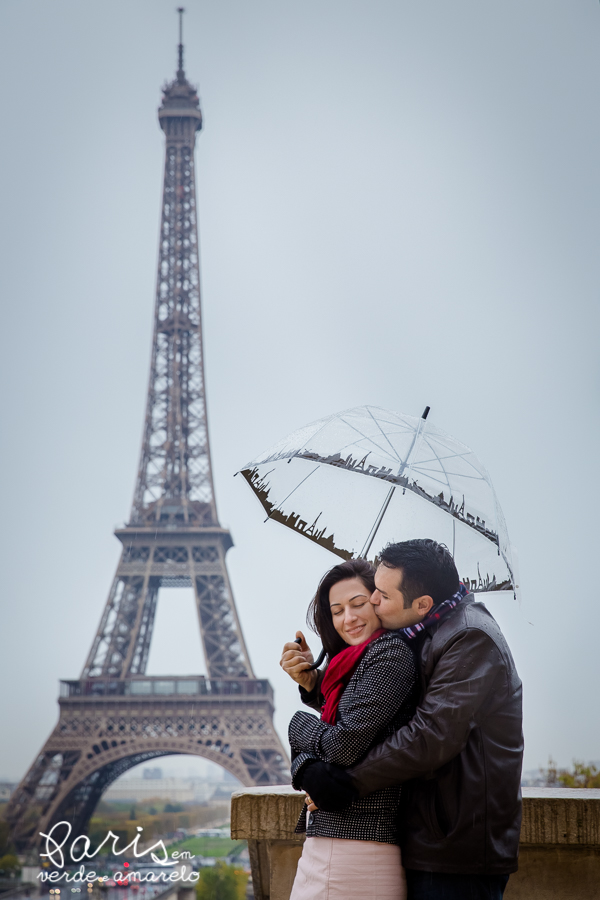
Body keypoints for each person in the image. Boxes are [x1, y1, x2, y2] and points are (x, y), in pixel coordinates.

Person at [283, 539, 523, 900]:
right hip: (430, 835)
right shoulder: (431, 631)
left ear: (422, 604)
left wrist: (342, 780)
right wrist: (317, 686)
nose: (373, 602)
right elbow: (380, 713)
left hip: (453, 846)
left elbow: (428, 737)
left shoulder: (469, 637)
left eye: (379, 595)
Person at [280, 558, 418, 900]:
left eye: (358, 605)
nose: (348, 618)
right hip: (335, 846)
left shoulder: (389, 652)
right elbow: (355, 723)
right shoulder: (352, 661)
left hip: (351, 851)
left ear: (378, 601)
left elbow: (342, 745)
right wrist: (314, 685)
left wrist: (297, 726)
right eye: (337, 610)